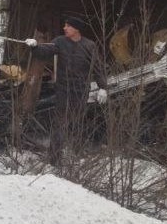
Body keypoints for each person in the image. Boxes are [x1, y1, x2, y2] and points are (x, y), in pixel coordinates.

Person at [25, 16, 108, 165]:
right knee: (60, 123)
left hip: (81, 90)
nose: (64, 28)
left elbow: (98, 67)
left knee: (77, 122)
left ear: (76, 29)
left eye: (68, 26)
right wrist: (35, 47)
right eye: (65, 25)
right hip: (64, 89)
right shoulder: (60, 42)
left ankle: (77, 154)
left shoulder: (89, 46)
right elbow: (46, 51)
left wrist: (103, 87)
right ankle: (55, 158)